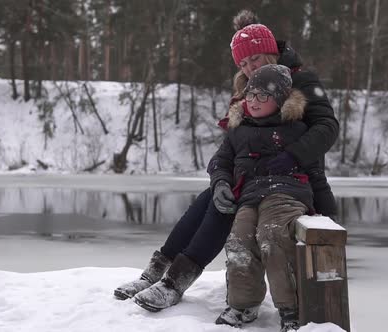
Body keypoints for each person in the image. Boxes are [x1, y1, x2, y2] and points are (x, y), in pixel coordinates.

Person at [113, 9, 338, 313]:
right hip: (250, 177)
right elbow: (231, 148)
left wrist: (291, 156)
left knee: (225, 208)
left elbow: (327, 127)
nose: (248, 68)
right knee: (209, 200)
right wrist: (220, 178)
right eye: (243, 64)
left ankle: (175, 283)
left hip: (290, 181)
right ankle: (155, 273)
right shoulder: (248, 89)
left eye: (254, 59)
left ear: (271, 52)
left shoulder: (303, 81)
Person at [209, 64, 310, 332]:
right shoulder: (238, 129)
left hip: (285, 192)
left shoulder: (295, 129)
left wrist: (326, 206)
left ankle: (291, 308)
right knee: (239, 239)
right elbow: (220, 161)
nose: (254, 102)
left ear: (279, 101)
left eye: (263, 96)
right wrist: (220, 182)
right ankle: (243, 304)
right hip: (250, 195)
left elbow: (315, 169)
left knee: (272, 236)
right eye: (250, 95)